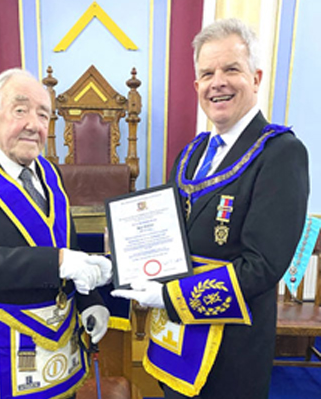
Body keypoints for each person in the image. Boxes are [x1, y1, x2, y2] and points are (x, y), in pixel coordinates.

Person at [112, 18, 309, 399]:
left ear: (256, 77)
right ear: (197, 86)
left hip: (230, 356)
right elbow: (165, 233)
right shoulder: (192, 152)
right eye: (207, 73)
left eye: (231, 69)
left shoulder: (281, 153)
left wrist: (169, 297)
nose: (217, 82)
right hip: (176, 342)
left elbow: (263, 266)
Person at [0, 68, 112, 399]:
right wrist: (58, 262)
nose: (34, 123)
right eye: (20, 109)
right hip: (4, 337)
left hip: (62, 332)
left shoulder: (50, 170)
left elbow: (65, 243)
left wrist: (89, 300)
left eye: (44, 114)